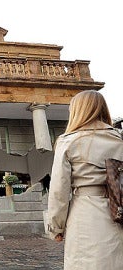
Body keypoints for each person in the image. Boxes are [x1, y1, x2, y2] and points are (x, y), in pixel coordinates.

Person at [47, 90, 123, 270]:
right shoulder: (120, 138)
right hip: (119, 211)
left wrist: (56, 227)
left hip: (86, 213)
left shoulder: (68, 141)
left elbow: (59, 190)